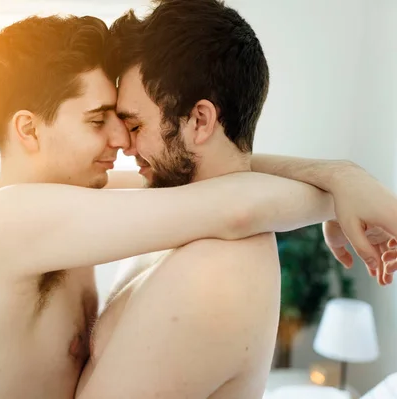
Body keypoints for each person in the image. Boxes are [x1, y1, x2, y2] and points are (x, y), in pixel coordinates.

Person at [0, 12, 396, 399]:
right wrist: (341, 189)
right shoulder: (0, 223)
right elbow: (233, 202)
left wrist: (342, 178)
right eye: (99, 120)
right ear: (29, 129)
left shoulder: (75, 200)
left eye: (127, 123)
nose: (120, 141)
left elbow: (226, 176)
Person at [74, 1, 397, 398]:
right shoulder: (181, 210)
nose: (123, 143)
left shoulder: (210, 277)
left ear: (201, 120)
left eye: (136, 125)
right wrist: (338, 177)